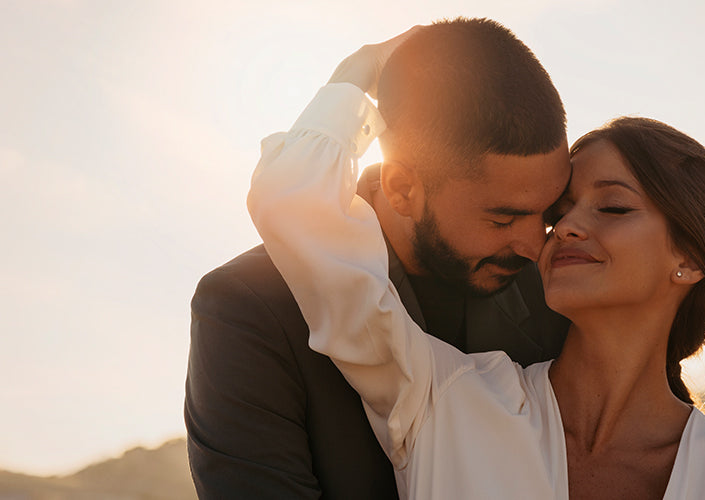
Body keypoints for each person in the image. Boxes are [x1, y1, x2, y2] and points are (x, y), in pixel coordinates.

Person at [249, 33, 705, 499]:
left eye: (613, 206)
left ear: (690, 259)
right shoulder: (442, 398)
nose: (564, 228)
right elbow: (292, 203)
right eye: (560, 209)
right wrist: (364, 68)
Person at [184, 19, 571, 498]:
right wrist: (353, 77)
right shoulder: (248, 307)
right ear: (402, 188)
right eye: (502, 220)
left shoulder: (560, 299)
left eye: (549, 213)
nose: (535, 246)